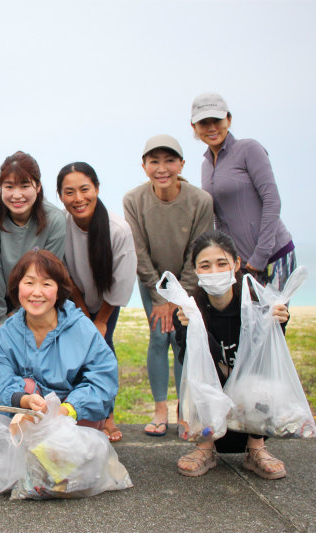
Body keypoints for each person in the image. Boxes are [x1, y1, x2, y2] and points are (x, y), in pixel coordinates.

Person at [173, 230, 289, 479]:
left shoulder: (258, 306)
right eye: (205, 265)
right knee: (196, 380)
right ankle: (205, 449)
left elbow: (268, 359)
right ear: (195, 270)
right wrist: (191, 329)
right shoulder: (188, 311)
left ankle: (256, 449)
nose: (214, 271)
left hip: (251, 416)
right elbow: (189, 364)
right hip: (209, 421)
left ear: (236, 265)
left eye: (221, 263)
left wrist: (279, 322)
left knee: (260, 382)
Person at [122, 134, 213, 437]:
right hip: (152, 281)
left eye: (170, 161)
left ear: (181, 164)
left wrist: (178, 297)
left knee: (183, 340)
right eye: (154, 161)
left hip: (188, 282)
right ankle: (160, 410)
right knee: (160, 337)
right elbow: (138, 251)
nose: (162, 168)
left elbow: (197, 252)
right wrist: (160, 297)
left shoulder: (201, 200)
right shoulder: (133, 200)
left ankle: (185, 410)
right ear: (144, 166)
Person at [0, 249, 117, 429]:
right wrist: (26, 400)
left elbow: (103, 377)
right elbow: (2, 385)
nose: (37, 292)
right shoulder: (5, 334)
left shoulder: (82, 328)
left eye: (46, 284)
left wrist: (67, 409)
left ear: (58, 291)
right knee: (27, 385)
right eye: (29, 283)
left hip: (74, 417)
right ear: (17, 287)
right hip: (29, 417)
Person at [57, 162, 137, 442]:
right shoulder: (60, 225)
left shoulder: (118, 229)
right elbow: (63, 271)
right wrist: (80, 308)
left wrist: (101, 320)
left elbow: (121, 280)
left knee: (102, 349)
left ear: (97, 189)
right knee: (71, 351)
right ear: (60, 196)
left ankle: (107, 414)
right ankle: (75, 411)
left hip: (106, 302)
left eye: (85, 189)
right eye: (69, 192)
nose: (78, 198)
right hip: (73, 297)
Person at [190, 93, 297, 291]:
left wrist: (261, 255)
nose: (211, 128)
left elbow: (272, 200)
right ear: (194, 127)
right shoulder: (206, 166)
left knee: (272, 313)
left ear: (229, 120)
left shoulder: (248, 149)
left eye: (217, 120)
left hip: (272, 256)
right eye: (204, 122)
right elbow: (219, 218)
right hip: (240, 265)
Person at [0, 151, 66, 341]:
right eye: (9, 186)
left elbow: (47, 273)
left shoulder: (55, 219)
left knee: (37, 345)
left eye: (24, 186)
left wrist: (21, 314)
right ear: (1, 188)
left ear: (38, 186)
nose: (17, 195)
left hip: (36, 291)